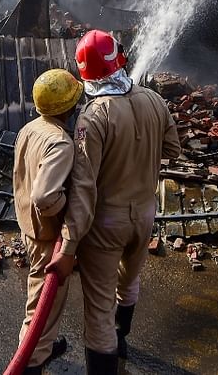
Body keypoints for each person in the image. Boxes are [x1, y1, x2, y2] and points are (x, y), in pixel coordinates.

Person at [64, 30, 181, 373]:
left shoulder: (93, 116)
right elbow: (172, 150)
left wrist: (69, 245)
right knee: (129, 282)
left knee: (98, 310)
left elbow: (84, 184)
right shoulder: (155, 100)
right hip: (145, 215)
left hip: (106, 224)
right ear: (120, 59)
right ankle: (122, 340)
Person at [13, 68, 87, 374]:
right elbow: (44, 197)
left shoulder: (30, 129)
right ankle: (32, 360)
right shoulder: (61, 143)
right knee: (42, 309)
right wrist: (68, 206)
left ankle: (42, 345)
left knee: (40, 302)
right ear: (69, 108)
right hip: (47, 239)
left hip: (28, 229)